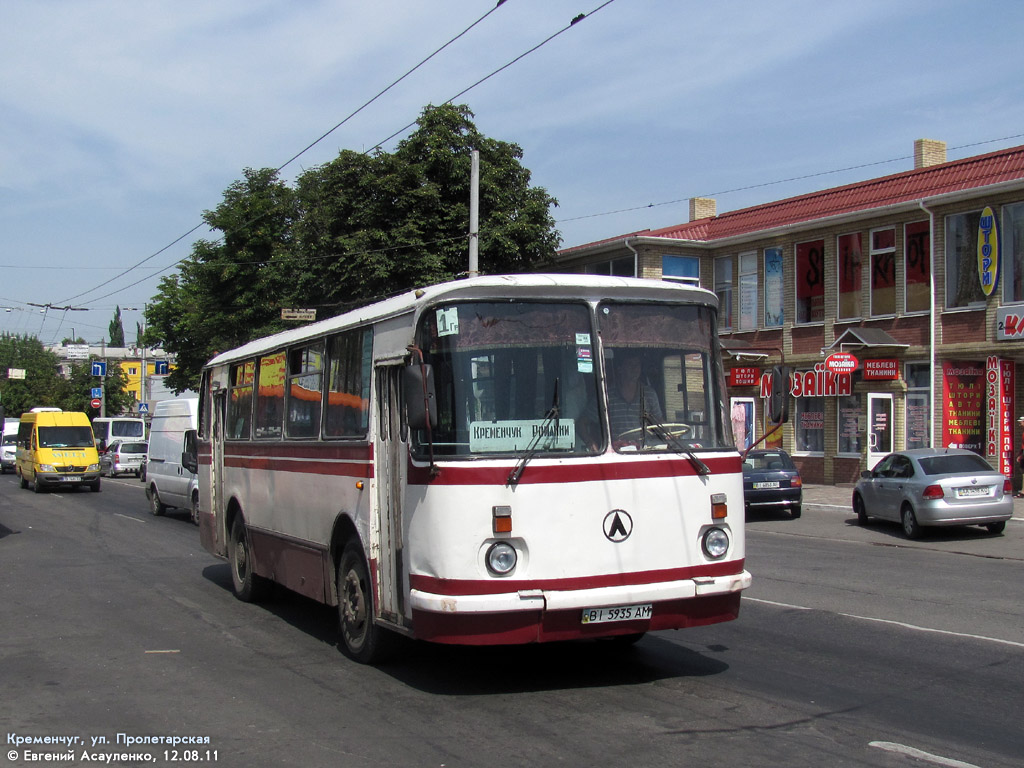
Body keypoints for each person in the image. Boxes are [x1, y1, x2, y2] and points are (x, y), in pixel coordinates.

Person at [607, 349, 663, 444]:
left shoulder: (649, 394)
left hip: (644, 451)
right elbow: (582, 423)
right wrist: (592, 444)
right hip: (616, 452)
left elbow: (659, 423)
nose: (635, 368)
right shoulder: (608, 396)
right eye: (630, 365)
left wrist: (670, 434)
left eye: (637, 365)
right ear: (620, 369)